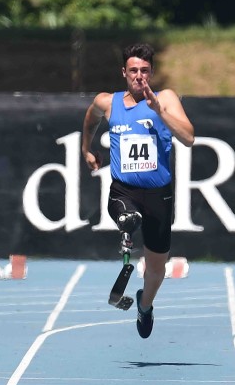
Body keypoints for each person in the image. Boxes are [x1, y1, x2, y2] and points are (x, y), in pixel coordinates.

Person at [81, 43, 195, 338]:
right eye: (134, 70)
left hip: (158, 194)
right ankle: (127, 222)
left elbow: (188, 137)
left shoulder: (165, 98)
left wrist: (159, 111)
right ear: (124, 73)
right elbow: (91, 117)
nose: (139, 76)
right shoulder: (108, 102)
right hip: (125, 191)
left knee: (157, 268)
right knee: (124, 213)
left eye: (145, 70)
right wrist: (87, 150)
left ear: (152, 72)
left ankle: (145, 305)